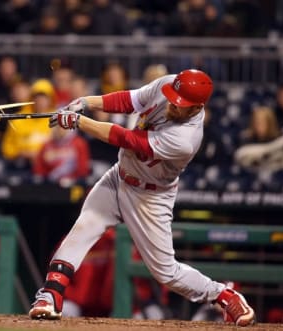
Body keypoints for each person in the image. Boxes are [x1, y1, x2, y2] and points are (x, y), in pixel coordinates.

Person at [28, 69, 256, 327]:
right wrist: (87, 102)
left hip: (150, 196)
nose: (172, 103)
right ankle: (50, 294)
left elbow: (127, 139)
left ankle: (223, 294)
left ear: (197, 108)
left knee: (166, 272)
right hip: (120, 176)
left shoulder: (186, 138)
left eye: (180, 104)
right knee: (85, 225)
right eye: (173, 97)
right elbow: (129, 101)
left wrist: (79, 122)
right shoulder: (171, 83)